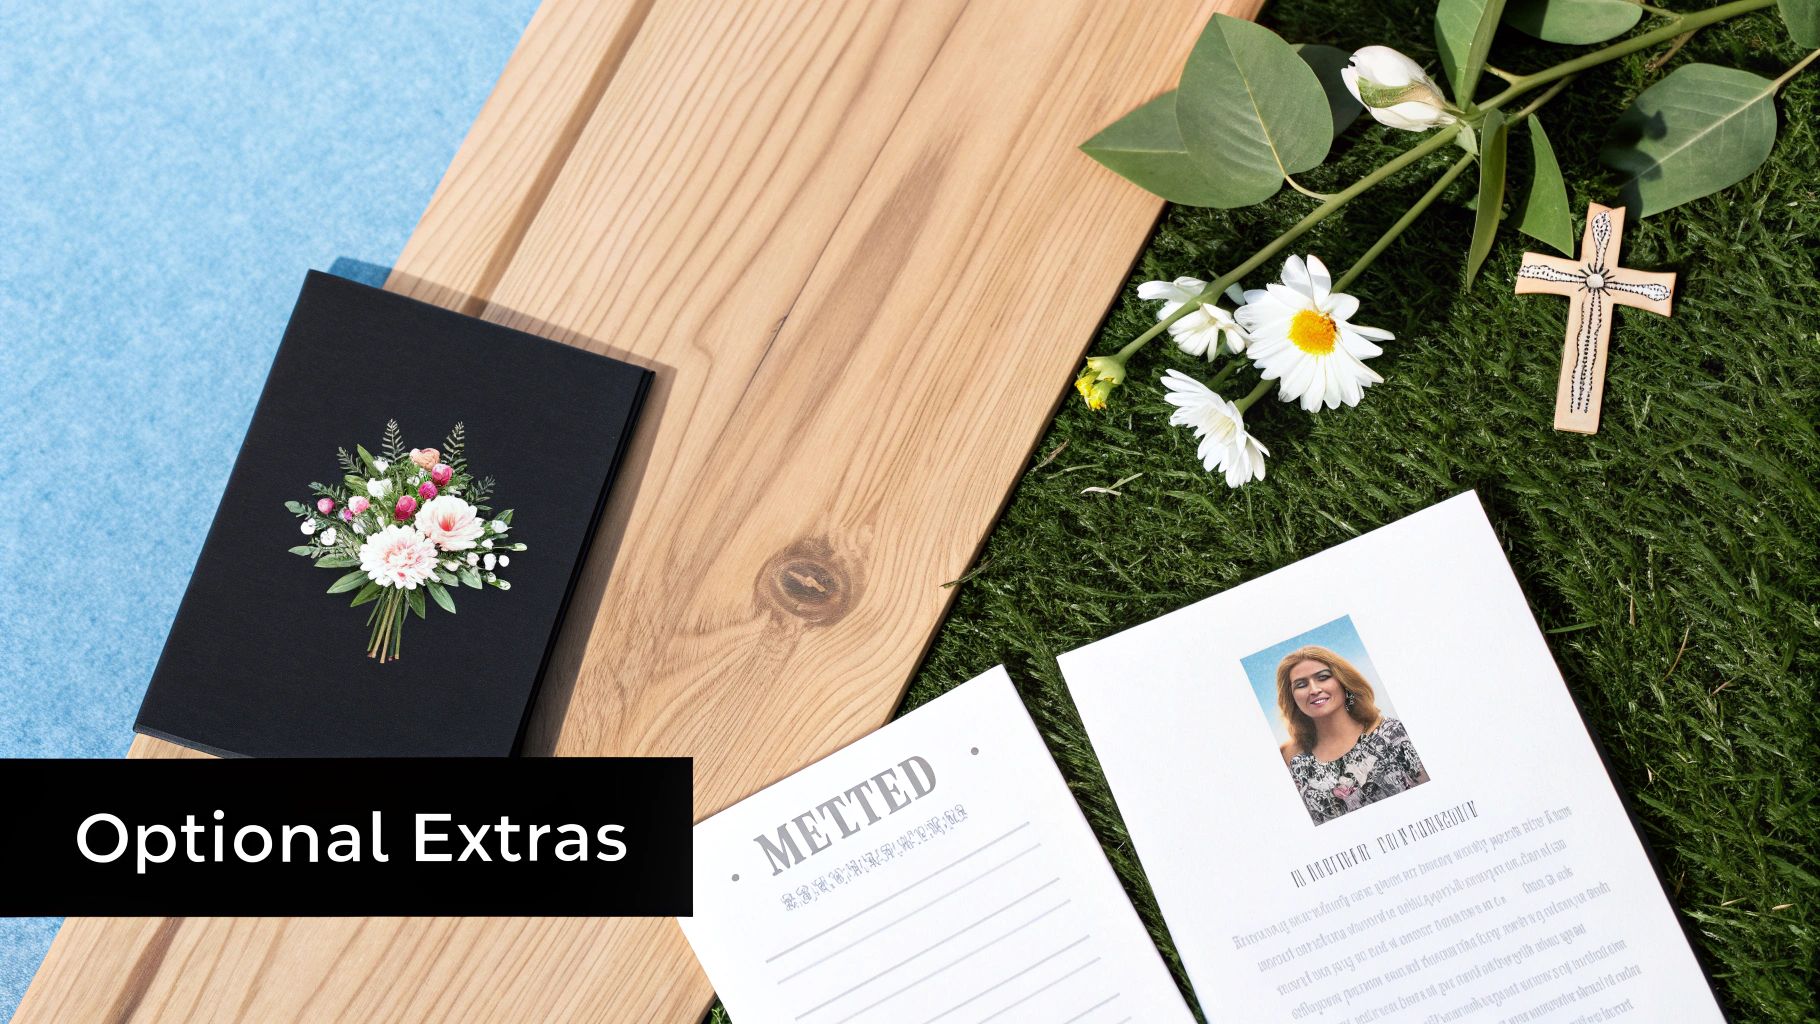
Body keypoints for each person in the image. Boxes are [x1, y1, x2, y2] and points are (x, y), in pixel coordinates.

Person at [1275, 645, 1427, 825]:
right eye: (1301, 685)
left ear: (1343, 681)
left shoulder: (1394, 734)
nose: (1314, 689)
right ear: (1292, 697)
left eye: (1323, 677)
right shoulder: (1288, 758)